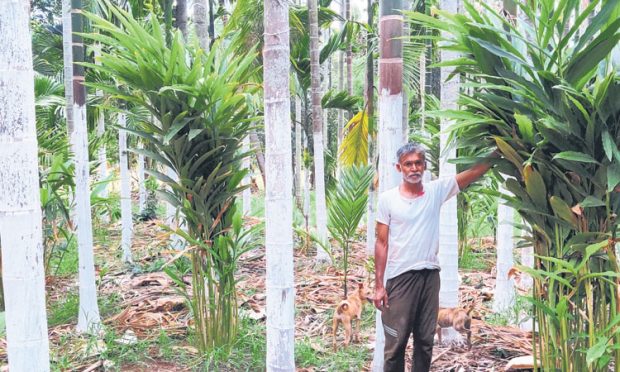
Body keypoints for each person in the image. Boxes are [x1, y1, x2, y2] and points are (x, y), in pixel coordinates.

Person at [373, 142, 498, 372]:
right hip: (400, 279)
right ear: (399, 168)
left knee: (425, 341)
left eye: (418, 163)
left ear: (425, 166)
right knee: (395, 344)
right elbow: (381, 243)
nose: (414, 168)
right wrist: (378, 286)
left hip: (430, 277)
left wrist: (498, 151)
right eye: (408, 164)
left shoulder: (435, 191)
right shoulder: (388, 200)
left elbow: (472, 173)